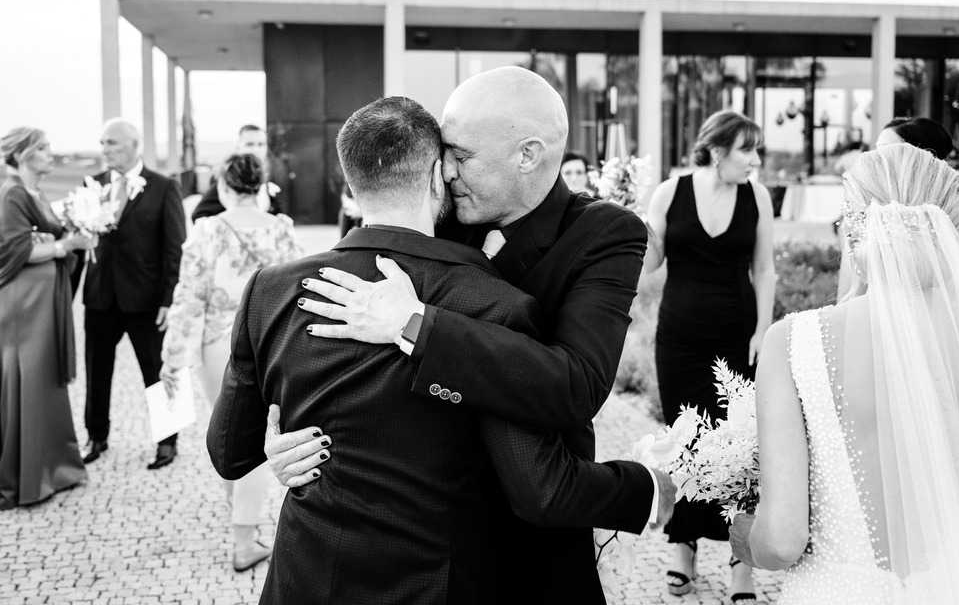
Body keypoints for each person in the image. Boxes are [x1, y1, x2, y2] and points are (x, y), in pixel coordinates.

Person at [206, 97, 674, 604]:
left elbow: (228, 451)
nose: (452, 171)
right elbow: (540, 484)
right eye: (446, 157)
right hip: (433, 577)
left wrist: (411, 322)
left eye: (462, 155)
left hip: (315, 575)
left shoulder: (270, 290)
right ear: (432, 175)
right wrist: (279, 439)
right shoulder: (490, 299)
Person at [732, 143, 959, 603]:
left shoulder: (794, 342)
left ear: (856, 230)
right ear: (955, 231)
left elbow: (783, 540)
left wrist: (747, 537)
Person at [643, 110, 775, 599]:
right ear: (717, 149)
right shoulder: (669, 192)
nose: (755, 161)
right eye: (748, 150)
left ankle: (742, 562)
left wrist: (763, 329)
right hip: (679, 338)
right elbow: (651, 265)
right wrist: (640, 232)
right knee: (687, 442)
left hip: (738, 334)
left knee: (740, 447)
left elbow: (765, 270)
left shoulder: (755, 196)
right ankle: (684, 545)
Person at [160, 153, 302, 571]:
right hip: (269, 342)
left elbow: (187, 298)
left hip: (215, 346)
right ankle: (244, 540)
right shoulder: (282, 230)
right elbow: (300, 290)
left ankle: (239, 515)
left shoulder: (206, 231)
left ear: (223, 185)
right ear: (259, 187)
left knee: (228, 430)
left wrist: (171, 358)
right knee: (256, 438)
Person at [82, 118, 186, 470]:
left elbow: (176, 249)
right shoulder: (91, 186)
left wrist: (169, 299)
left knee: (158, 371)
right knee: (96, 371)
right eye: (103, 143)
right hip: (99, 297)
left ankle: (168, 441)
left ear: (133, 146)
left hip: (147, 300)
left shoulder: (164, 187)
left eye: (111, 143)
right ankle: (96, 436)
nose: (105, 150)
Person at [0, 128, 92, 509]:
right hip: (23, 306)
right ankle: (26, 477)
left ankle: (54, 467)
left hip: (42, 302)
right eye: (43, 149)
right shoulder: (12, 192)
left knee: (45, 380)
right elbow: (12, 249)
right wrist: (64, 245)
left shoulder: (33, 192)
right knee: (30, 379)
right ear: (23, 155)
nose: (51, 154)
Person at [870, 116, 959, 305]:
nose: (874, 160)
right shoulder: (871, 218)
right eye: (875, 150)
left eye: (885, 151)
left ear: (921, 158)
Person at [190, 125, 282, 222]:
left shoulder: (272, 176)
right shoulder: (229, 179)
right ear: (238, 147)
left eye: (261, 144)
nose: (256, 150)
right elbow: (199, 215)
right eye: (250, 144)